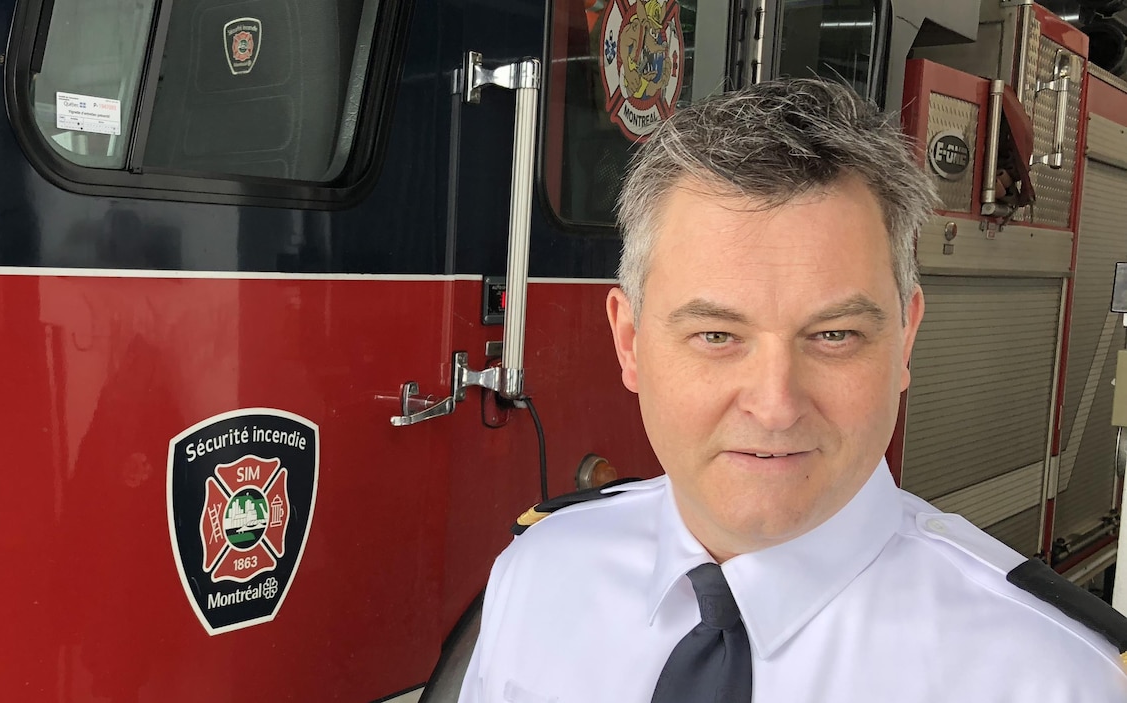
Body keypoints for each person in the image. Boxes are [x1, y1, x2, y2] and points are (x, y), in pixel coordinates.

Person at [457, 78, 1127, 703]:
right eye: (717, 335)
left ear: (906, 339)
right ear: (629, 341)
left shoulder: (1055, 678)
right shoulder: (536, 580)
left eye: (833, 335)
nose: (775, 406)